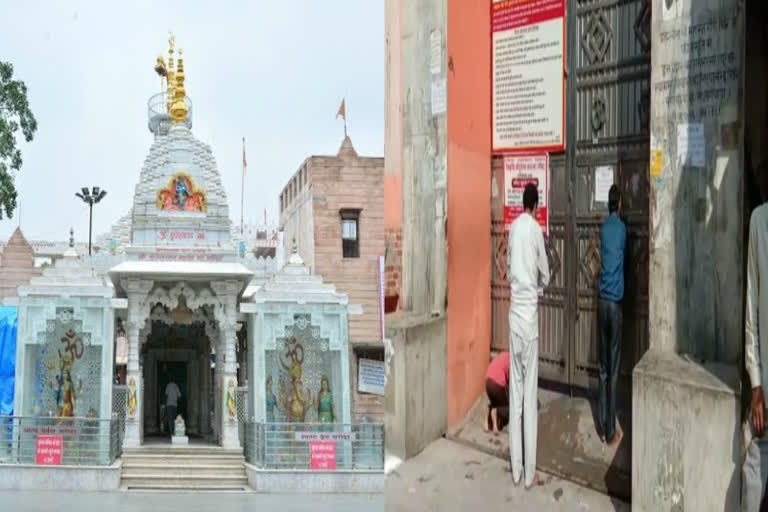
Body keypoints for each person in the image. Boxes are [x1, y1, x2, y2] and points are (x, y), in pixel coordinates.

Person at [507, 183, 550, 489]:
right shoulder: (535, 231)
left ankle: (515, 469)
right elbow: (545, 272)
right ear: (536, 205)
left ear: (523, 203)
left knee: (515, 397)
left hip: (513, 318)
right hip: (530, 321)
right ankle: (530, 473)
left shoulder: (512, 230)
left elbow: (509, 270)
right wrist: (539, 286)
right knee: (529, 395)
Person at [743, 202, 768, 511]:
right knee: (752, 481)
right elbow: (752, 308)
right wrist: (756, 383)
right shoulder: (760, 221)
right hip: (767, 392)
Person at [597, 184, 627, 447]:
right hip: (615, 304)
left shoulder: (604, 228)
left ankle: (602, 425)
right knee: (614, 368)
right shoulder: (622, 229)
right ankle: (611, 432)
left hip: (601, 302)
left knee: (603, 369)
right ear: (619, 205)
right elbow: (624, 257)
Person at [484, 351, 510, 435]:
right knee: (505, 406)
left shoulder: (501, 355)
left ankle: (488, 425)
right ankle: (497, 424)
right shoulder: (511, 360)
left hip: (488, 381)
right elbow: (511, 379)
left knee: (494, 403)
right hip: (497, 384)